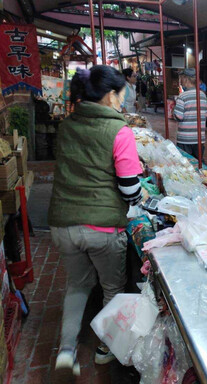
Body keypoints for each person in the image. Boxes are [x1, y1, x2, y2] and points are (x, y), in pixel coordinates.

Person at [48, 65, 143, 374]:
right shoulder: (119, 131)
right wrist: (138, 200)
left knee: (77, 285)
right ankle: (106, 348)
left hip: (64, 223)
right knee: (112, 287)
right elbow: (129, 186)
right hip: (102, 227)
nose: (122, 102)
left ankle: (66, 351)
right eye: (120, 96)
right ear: (109, 95)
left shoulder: (66, 126)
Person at [173, 68, 207, 159]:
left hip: (185, 139)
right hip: (199, 138)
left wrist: (174, 110)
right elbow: (205, 114)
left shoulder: (182, 96)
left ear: (186, 79)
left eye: (181, 78)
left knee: (186, 164)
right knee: (199, 162)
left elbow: (179, 116)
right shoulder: (203, 95)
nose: (180, 80)